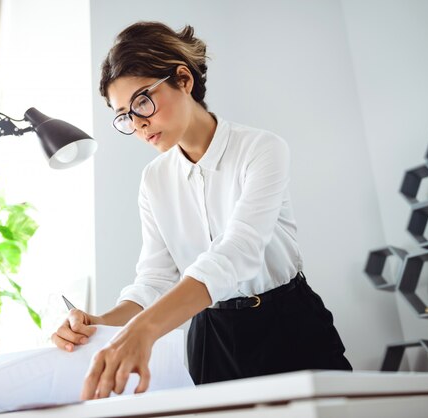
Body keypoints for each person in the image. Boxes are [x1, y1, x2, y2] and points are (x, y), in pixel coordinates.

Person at [52, 21, 352, 400]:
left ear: (183, 79)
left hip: (289, 321)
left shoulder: (261, 149)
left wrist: (145, 330)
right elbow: (155, 280)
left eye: (143, 100)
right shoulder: (154, 180)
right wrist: (101, 324)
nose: (139, 123)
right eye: (125, 114)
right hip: (213, 337)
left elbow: (238, 251)